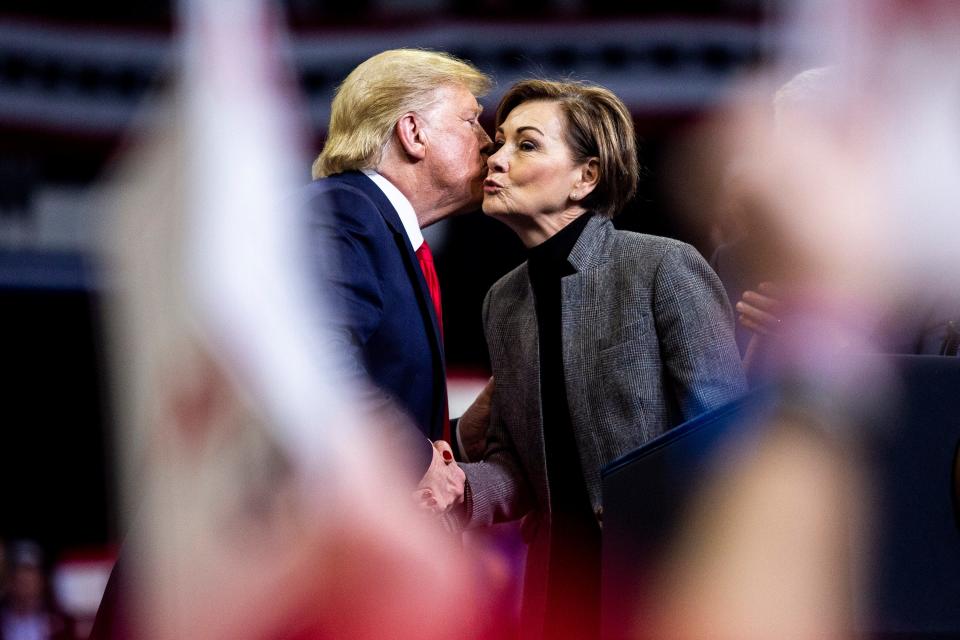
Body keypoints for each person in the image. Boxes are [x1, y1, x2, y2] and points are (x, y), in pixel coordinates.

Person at [429, 79, 747, 640]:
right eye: (497, 141)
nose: (494, 158)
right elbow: (520, 470)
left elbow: (727, 441)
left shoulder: (661, 267)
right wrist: (455, 490)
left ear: (587, 176)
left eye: (525, 144)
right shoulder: (502, 301)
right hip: (558, 592)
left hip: (660, 584)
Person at [304, 48, 494, 506]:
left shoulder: (378, 229)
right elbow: (312, 370)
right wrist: (417, 459)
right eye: (471, 121)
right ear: (413, 132)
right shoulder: (343, 212)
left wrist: (455, 439)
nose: (489, 142)